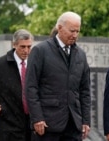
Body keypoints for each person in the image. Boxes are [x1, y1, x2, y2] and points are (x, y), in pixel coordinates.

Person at [25, 11, 91, 141]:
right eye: (72, 31)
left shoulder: (81, 55)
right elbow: (31, 87)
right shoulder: (40, 51)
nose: (75, 35)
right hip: (47, 124)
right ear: (60, 28)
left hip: (73, 125)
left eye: (77, 31)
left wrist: (86, 120)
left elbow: (85, 91)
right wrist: (37, 118)